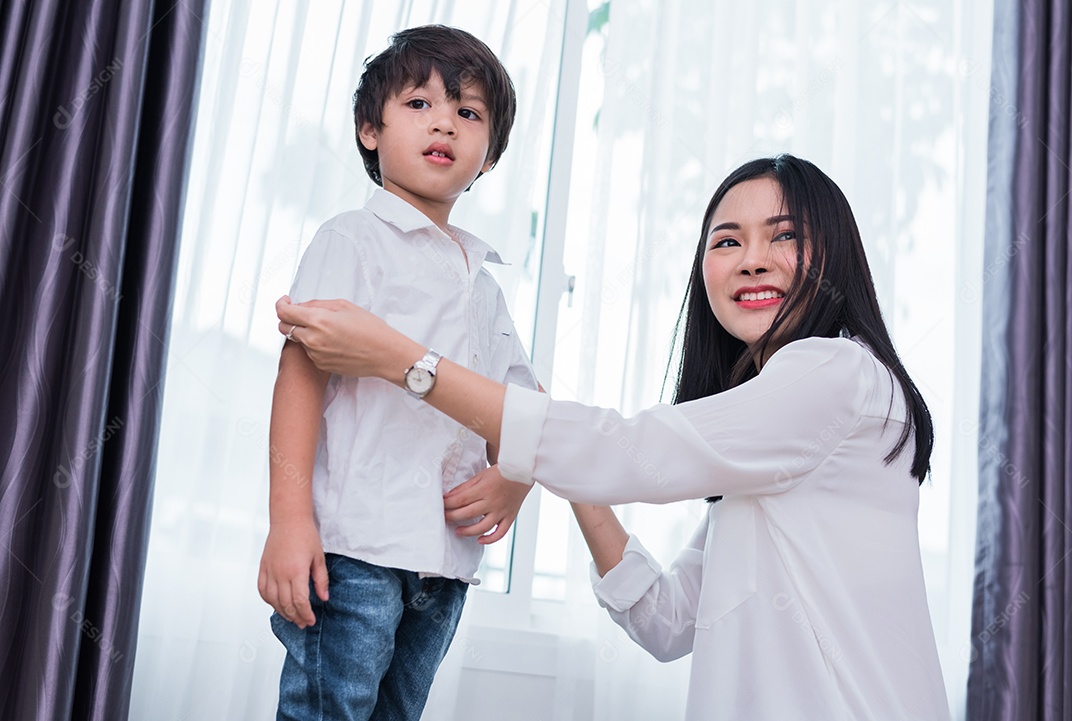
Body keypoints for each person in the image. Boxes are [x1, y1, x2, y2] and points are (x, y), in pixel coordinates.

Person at [275, 154, 952, 720]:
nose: (752, 259)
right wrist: (556, 462)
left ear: (837, 253)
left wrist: (402, 360)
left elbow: (630, 452)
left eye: (784, 235)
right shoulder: (769, 452)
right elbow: (666, 618)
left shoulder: (833, 372)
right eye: (726, 240)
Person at [257, 25, 537, 721]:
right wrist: (290, 520)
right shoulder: (351, 239)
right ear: (369, 128)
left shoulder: (484, 282)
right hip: (353, 548)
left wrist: (515, 477)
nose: (444, 121)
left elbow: (524, 402)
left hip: (444, 563)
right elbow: (299, 379)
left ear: (489, 157)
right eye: (419, 103)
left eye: (469, 113)